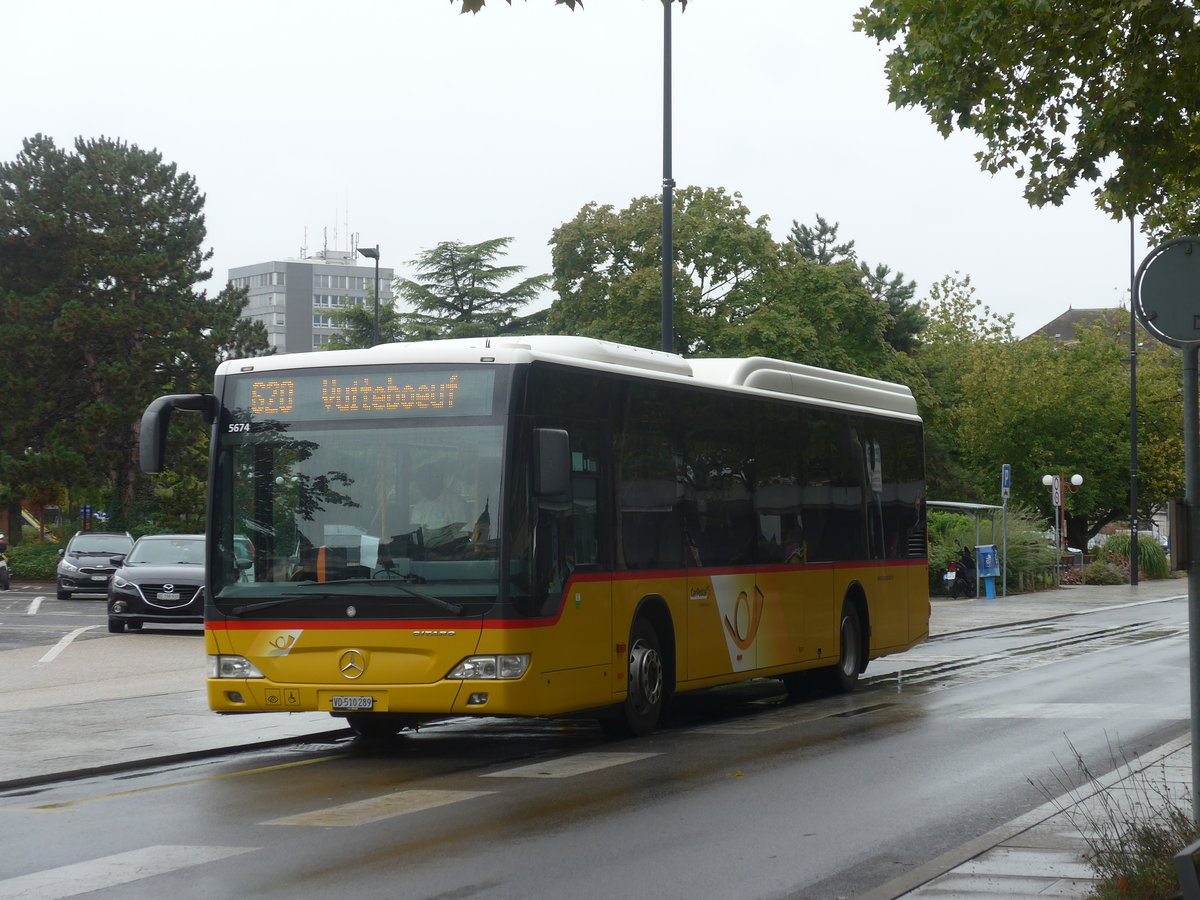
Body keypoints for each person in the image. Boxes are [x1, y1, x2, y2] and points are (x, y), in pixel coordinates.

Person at [410, 461, 469, 546]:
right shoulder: (419, 507)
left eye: (426, 482)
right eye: (421, 484)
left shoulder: (456, 504)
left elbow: (462, 538)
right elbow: (414, 535)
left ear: (437, 480)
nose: (423, 488)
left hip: (447, 556)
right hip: (422, 555)